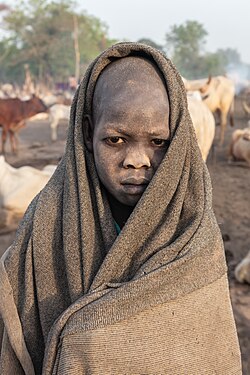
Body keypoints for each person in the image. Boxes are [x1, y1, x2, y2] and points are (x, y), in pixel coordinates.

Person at [0, 42, 241, 374]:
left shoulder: (195, 233)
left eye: (158, 142)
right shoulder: (45, 224)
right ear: (87, 133)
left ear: (179, 139)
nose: (136, 161)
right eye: (115, 140)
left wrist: (86, 345)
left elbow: (211, 353)